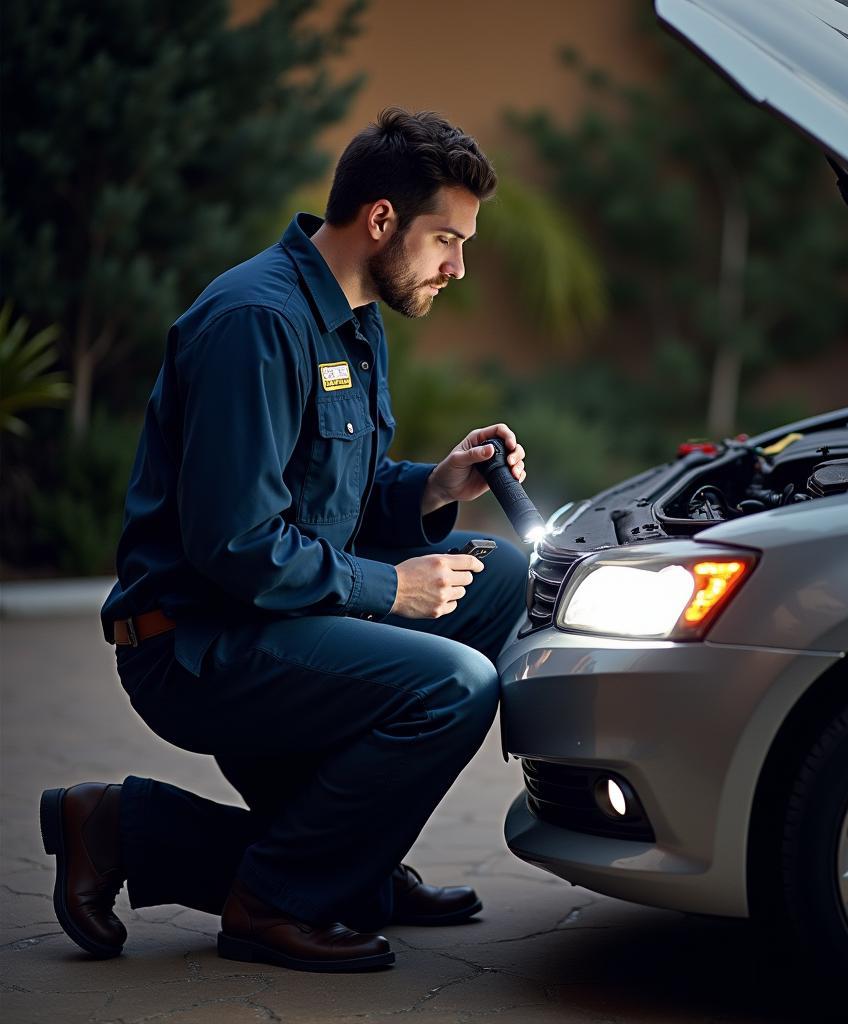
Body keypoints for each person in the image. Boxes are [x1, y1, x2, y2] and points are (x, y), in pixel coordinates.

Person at [39, 108, 530, 974]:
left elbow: (333, 495)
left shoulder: (353, 313)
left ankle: (347, 867)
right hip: (198, 641)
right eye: (447, 239)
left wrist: (434, 486)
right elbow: (235, 542)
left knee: (501, 574)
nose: (458, 265)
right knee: (457, 685)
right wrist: (393, 591)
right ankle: (271, 896)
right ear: (382, 220)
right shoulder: (255, 322)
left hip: (281, 617)